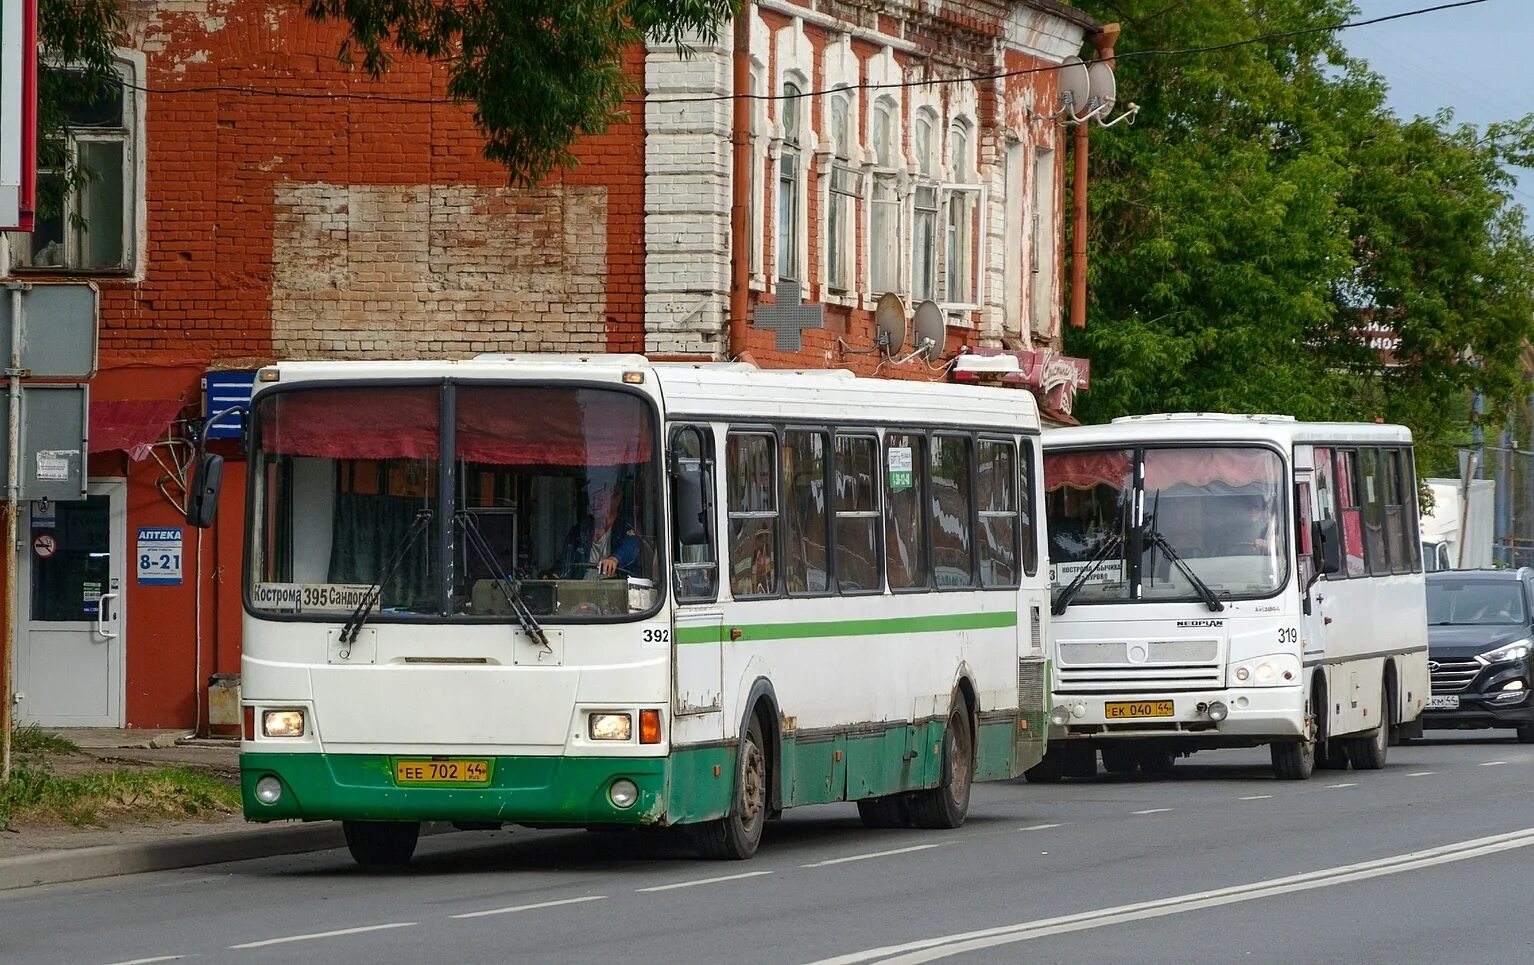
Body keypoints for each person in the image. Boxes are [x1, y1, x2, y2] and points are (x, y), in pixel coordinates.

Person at [559, 482, 639, 578]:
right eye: (593, 498)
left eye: (601, 499)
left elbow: (632, 545)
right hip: (579, 589)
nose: (596, 503)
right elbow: (565, 561)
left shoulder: (626, 526)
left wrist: (615, 559)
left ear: (616, 499)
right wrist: (554, 573)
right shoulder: (578, 531)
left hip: (615, 590)